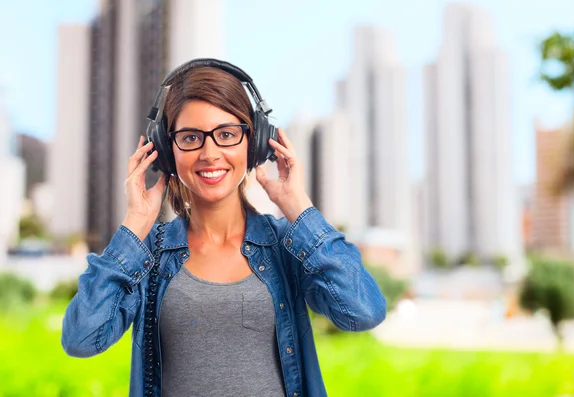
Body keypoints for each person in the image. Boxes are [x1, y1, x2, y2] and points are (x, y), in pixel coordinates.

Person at [61, 59, 387, 397]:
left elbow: (362, 312)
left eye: (227, 134)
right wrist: (135, 225)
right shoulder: (149, 256)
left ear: (255, 141)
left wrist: (298, 207)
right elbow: (82, 338)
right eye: (190, 137)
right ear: (166, 152)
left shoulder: (286, 246)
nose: (210, 153)